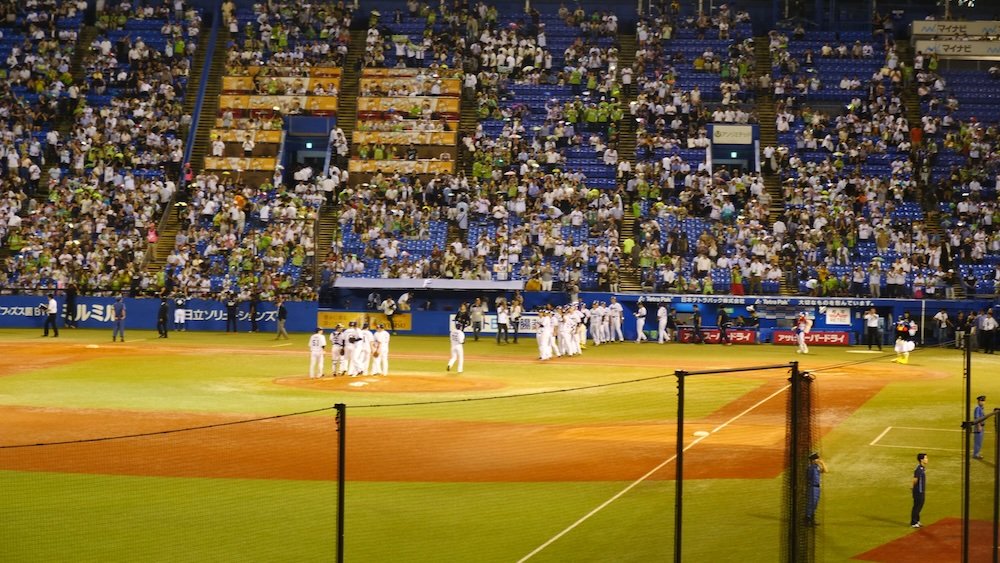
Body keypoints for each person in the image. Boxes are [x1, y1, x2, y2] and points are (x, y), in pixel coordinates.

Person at [805, 452, 828, 526]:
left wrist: (822, 463)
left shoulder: (816, 467)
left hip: (817, 488)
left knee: (815, 504)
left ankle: (811, 519)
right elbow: (808, 478)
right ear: (813, 460)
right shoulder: (811, 468)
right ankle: (807, 520)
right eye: (816, 458)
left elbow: (825, 470)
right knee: (811, 503)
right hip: (812, 487)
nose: (818, 459)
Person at [910, 453, 928, 528]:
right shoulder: (918, 469)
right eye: (926, 458)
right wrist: (912, 488)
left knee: (919, 506)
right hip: (918, 492)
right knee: (917, 506)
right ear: (921, 460)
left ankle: (917, 520)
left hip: (921, 491)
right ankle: (913, 523)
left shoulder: (922, 468)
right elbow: (915, 479)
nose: (927, 459)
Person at [973, 395, 987, 460]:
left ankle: (977, 453)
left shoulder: (981, 408)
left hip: (981, 426)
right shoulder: (978, 408)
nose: (982, 402)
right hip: (979, 427)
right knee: (978, 441)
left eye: (983, 401)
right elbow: (977, 418)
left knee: (979, 441)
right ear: (978, 401)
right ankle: (976, 455)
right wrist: (979, 426)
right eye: (981, 401)